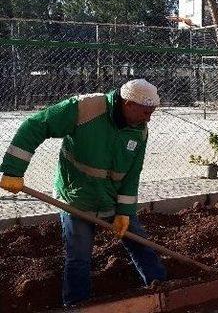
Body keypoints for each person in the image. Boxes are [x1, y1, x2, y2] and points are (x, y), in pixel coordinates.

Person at [0, 79, 166, 306]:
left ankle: (163, 288)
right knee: (78, 257)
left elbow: (131, 175)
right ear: (128, 104)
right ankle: (77, 305)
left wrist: (125, 212)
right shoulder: (85, 109)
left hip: (110, 198)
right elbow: (36, 125)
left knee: (139, 242)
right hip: (76, 198)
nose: (149, 118)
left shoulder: (139, 131)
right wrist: (13, 170)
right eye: (146, 112)